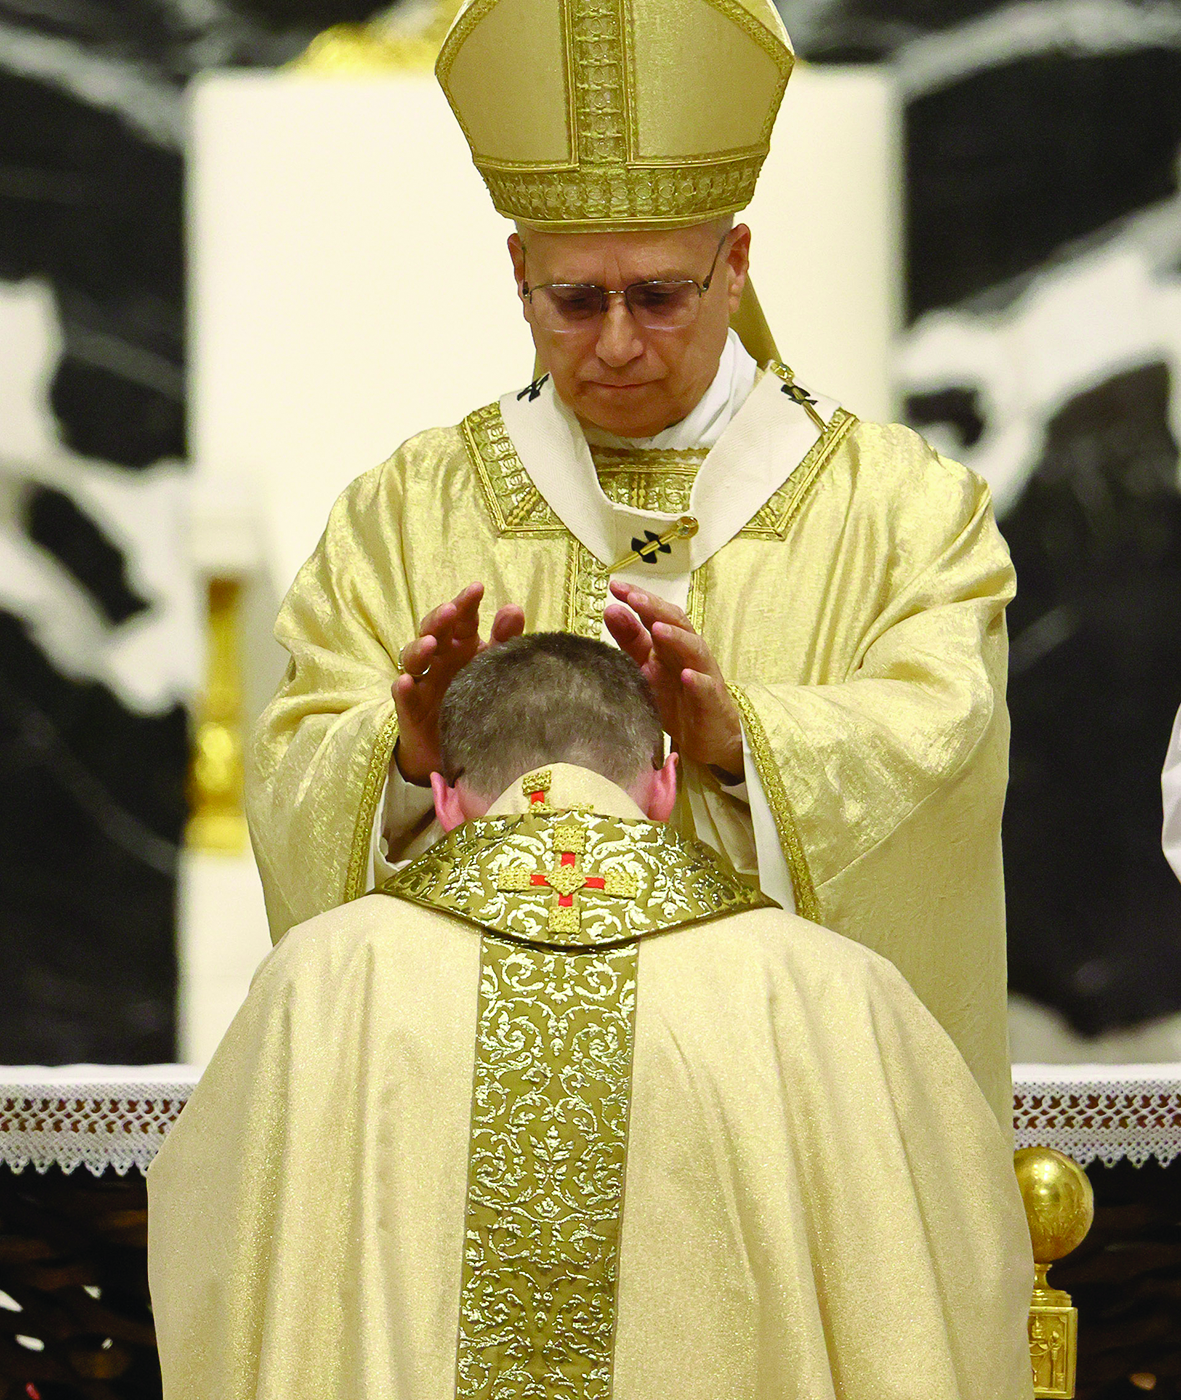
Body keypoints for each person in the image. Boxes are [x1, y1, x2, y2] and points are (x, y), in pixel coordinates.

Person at [246, 0, 1016, 1126]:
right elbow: (293, 768)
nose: (614, 344)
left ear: (733, 265)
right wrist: (405, 758)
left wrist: (741, 741)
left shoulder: (903, 510)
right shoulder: (405, 511)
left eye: (657, 296)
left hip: (772, 1128)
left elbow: (944, 749)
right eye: (573, 300)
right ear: (518, 270)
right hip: (474, 1118)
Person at [151, 634, 1034, 1400]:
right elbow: (946, 1267)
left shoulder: (323, 980)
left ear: (447, 800)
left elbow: (217, 1254)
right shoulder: (826, 989)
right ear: (664, 785)